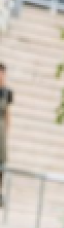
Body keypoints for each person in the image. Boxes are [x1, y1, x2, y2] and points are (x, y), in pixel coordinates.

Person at [0, 64, 12, 205]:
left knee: (1, 161)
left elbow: (8, 113)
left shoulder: (6, 93)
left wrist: (7, 130)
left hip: (1, 130)